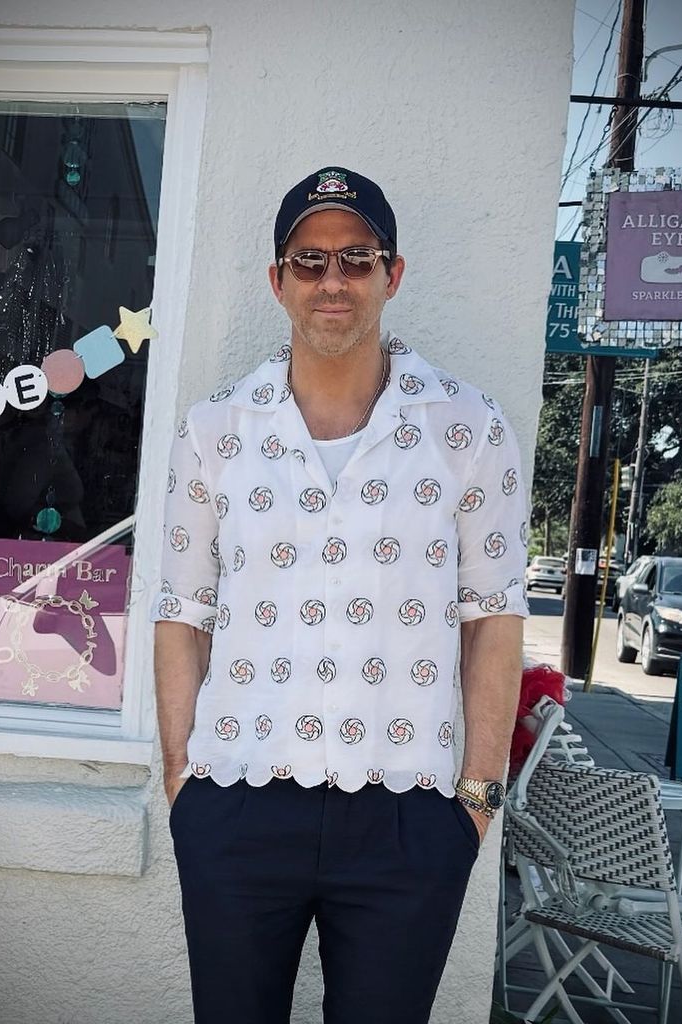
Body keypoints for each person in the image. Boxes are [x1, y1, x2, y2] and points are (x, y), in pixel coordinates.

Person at [152, 166, 528, 1024]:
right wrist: (183, 785)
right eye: (310, 259)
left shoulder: (467, 429)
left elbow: (495, 623)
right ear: (277, 279)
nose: (333, 280)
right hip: (236, 803)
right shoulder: (215, 431)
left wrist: (474, 803)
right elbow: (180, 615)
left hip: (411, 817)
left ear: (392, 276)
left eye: (357, 259)